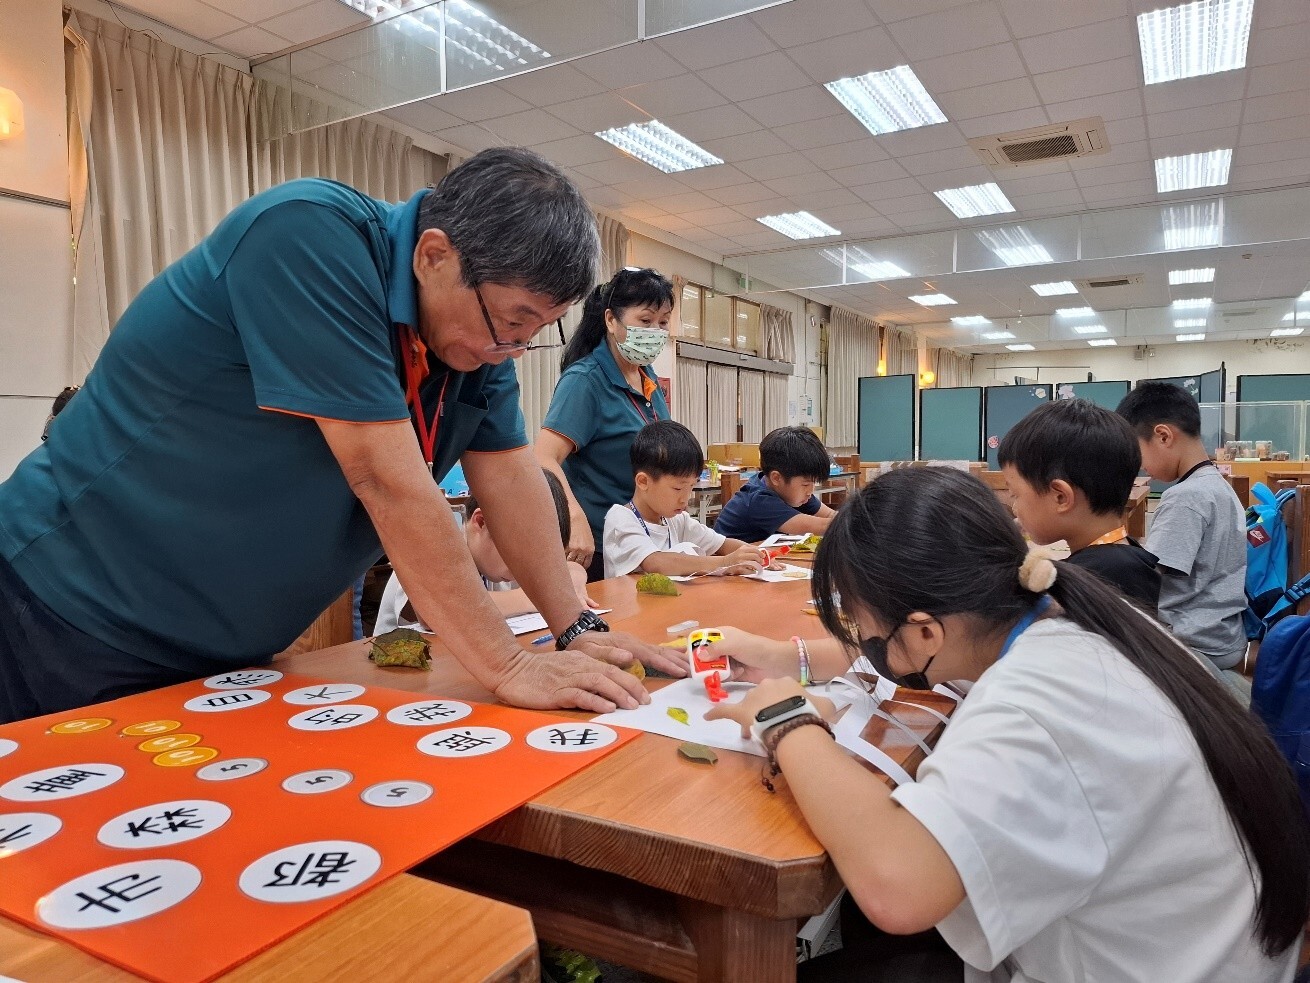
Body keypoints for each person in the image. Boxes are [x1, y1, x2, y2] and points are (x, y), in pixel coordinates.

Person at [0, 147, 683, 726]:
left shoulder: (473, 343)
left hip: (221, 652)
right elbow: (386, 479)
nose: (516, 345)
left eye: (538, 329)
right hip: (64, 610)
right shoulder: (309, 238)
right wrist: (507, 662)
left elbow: (509, 478)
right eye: (514, 319)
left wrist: (576, 627)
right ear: (434, 255)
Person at [706, 467, 1309, 983]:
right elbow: (915, 653)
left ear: (923, 632)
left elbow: (899, 887)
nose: (866, 645)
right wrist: (792, 658)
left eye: (866, 628)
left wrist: (784, 718)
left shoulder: (1034, 699)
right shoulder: (1072, 616)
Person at [536, 266, 674, 580]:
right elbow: (543, 457)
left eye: (663, 322)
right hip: (597, 544)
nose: (655, 331)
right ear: (611, 320)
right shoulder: (586, 381)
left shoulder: (646, 376)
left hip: (643, 538)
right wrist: (574, 519)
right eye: (645, 320)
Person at [1117, 382, 1247, 672]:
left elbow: (1148, 578)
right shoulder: (1217, 486)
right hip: (1222, 634)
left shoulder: (1185, 498)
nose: (1140, 467)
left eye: (1137, 453)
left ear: (1163, 436)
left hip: (1192, 642)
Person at [376, 469, 592, 632]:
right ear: (481, 522)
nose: (525, 568)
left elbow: (572, 567)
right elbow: (438, 612)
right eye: (520, 554)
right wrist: (538, 599)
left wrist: (573, 581)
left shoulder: (500, 558)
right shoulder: (437, 546)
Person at [998, 398, 1160, 614]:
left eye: (1015, 495)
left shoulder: (1095, 580)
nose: (1015, 509)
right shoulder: (1118, 558)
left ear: (1061, 497)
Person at [603, 420, 766, 580]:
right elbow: (655, 563)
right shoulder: (621, 519)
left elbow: (721, 543)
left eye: (691, 487)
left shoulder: (673, 519)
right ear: (643, 481)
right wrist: (725, 562)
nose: (685, 500)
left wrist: (757, 557)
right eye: (678, 489)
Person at [714, 426, 836, 542]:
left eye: (813, 483)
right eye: (805, 485)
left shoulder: (793, 493)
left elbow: (830, 515)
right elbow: (817, 526)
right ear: (776, 478)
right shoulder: (759, 500)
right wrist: (851, 518)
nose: (810, 491)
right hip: (730, 561)